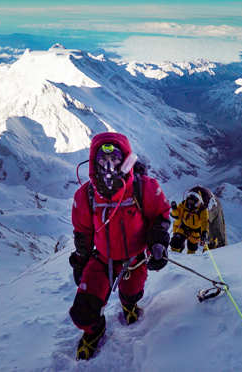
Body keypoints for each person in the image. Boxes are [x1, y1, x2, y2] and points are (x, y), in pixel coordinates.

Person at [68, 132, 171, 360]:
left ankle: (129, 305)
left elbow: (160, 216)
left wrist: (158, 242)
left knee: (132, 293)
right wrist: (81, 261)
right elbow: (83, 233)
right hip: (103, 259)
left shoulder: (143, 188)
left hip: (135, 258)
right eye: (102, 160)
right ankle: (95, 329)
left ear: (125, 160)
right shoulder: (86, 196)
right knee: (82, 313)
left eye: (114, 158)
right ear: (94, 163)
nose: (108, 165)